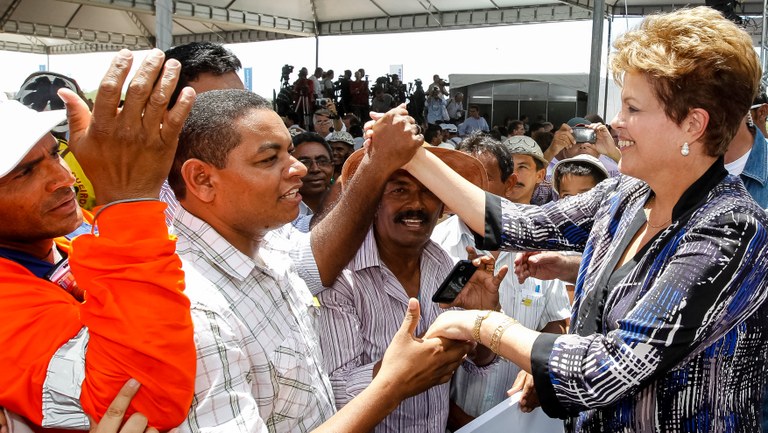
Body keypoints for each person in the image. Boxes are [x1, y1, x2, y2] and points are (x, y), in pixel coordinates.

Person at [396, 7, 768, 432]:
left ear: (692, 124)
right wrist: (413, 156)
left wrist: (485, 325)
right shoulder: (626, 195)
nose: (616, 123)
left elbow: (607, 368)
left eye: (632, 108)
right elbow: (520, 224)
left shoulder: (732, 230)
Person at [168, 89, 466, 432]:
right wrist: (392, 384)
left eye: (289, 152)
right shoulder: (192, 309)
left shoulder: (273, 246)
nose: (298, 168)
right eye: (269, 159)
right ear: (202, 179)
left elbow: (319, 256)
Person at [0, 49, 197, 431]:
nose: (64, 178)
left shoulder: (71, 233)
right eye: (25, 173)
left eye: (55, 154)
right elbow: (144, 404)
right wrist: (129, 202)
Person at [317, 146, 497, 433]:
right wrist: (406, 368)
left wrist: (483, 320)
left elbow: (477, 362)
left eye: (429, 191)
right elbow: (336, 393)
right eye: (399, 190)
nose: (416, 203)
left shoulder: (442, 263)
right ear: (374, 201)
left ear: (442, 205)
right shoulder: (342, 277)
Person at [430, 134, 569, 430]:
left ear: (509, 183)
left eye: (481, 177)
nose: (465, 187)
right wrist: (456, 418)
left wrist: (539, 367)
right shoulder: (434, 246)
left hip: (523, 417)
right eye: (460, 177)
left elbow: (556, 322)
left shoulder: (538, 243)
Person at [292, 132, 334, 228]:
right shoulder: (281, 212)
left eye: (322, 161)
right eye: (305, 163)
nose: (315, 169)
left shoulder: (346, 203)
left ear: (332, 167)